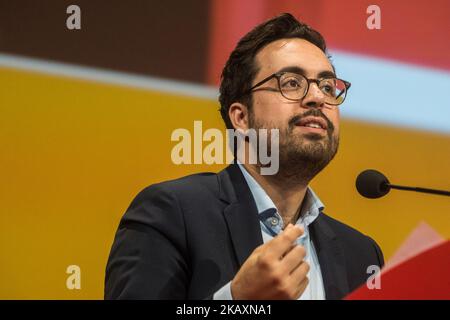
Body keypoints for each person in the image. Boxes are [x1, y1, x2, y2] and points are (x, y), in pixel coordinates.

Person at [104, 13, 384, 300]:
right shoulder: (172, 214)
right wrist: (238, 301)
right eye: (291, 82)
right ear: (241, 117)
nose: (317, 97)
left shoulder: (360, 254)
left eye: (327, 86)